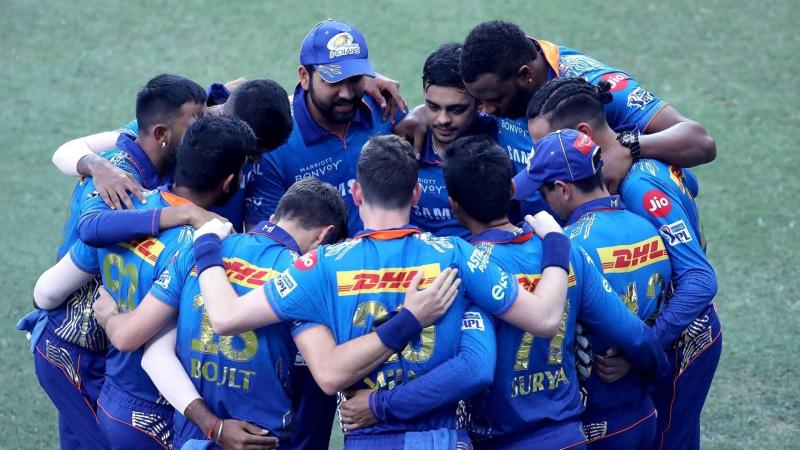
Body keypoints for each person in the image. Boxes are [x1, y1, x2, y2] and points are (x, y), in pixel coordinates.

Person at [191, 135, 574, 449]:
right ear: (417, 193)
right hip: (443, 438)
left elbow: (225, 317)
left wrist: (206, 247)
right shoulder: (456, 255)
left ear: (357, 193)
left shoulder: (319, 266)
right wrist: (557, 245)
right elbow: (544, 318)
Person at [89, 177, 460, 450]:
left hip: (193, 436)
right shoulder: (304, 278)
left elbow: (152, 353)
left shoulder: (201, 250)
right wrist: (407, 318)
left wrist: (109, 318)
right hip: (262, 441)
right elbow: (332, 374)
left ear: (277, 214)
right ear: (324, 237)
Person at [34, 115, 256, 449]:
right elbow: (155, 356)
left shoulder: (124, 208)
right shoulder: (208, 248)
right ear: (229, 182)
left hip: (111, 394)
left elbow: (46, 292)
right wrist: (215, 427)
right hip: (157, 410)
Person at [526, 77, 721, 450]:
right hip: (659, 324)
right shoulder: (640, 165)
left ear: (582, 135)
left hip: (681, 334)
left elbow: (699, 280)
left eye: (549, 142)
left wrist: (641, 349)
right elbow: (690, 183)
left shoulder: (639, 187)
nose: (543, 154)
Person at [18, 73, 211, 450]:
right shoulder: (118, 179)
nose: (202, 130)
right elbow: (92, 228)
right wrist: (180, 214)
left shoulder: (159, 145)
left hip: (101, 342)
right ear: (161, 134)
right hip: (72, 347)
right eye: (196, 122)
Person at [437, 135, 666, 449]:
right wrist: (656, 373)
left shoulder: (460, 269)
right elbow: (635, 335)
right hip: (569, 437)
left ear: (453, 205)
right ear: (512, 189)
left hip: (502, 440)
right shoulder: (563, 250)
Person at [514, 128, 673, 449]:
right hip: (644, 410)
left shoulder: (570, 248)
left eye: (543, 192)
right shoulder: (648, 228)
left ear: (563, 189)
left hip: (595, 420)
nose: (542, 200)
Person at [48, 78, 293, 232]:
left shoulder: (196, 124)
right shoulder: (135, 156)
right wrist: (97, 165)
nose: (253, 161)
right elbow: (65, 152)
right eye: (251, 154)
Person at [246, 19, 407, 234]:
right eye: (334, 81)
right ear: (304, 77)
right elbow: (263, 237)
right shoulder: (275, 142)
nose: (346, 93)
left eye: (355, 79)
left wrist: (420, 116)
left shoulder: (385, 108)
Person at [410, 42, 497, 238]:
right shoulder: (405, 140)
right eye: (433, 107)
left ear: (480, 103)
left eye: (456, 109)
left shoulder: (501, 137)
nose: (443, 120)